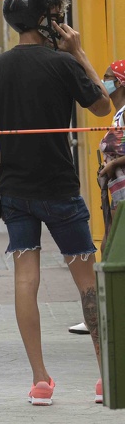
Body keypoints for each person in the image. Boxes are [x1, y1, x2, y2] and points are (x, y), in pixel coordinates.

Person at [0, 0, 110, 405]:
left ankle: (40, 380)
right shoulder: (62, 64)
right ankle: (107, 375)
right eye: (56, 12)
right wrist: (80, 54)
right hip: (61, 189)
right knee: (86, 282)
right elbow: (104, 107)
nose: (61, 19)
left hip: (15, 191)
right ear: (42, 19)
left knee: (25, 279)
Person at [69, 59, 125, 337]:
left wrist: (114, 164)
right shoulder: (118, 115)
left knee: (114, 253)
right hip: (116, 195)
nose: (104, 82)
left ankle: (108, 313)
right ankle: (107, 312)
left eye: (108, 77)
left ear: (121, 81)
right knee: (111, 251)